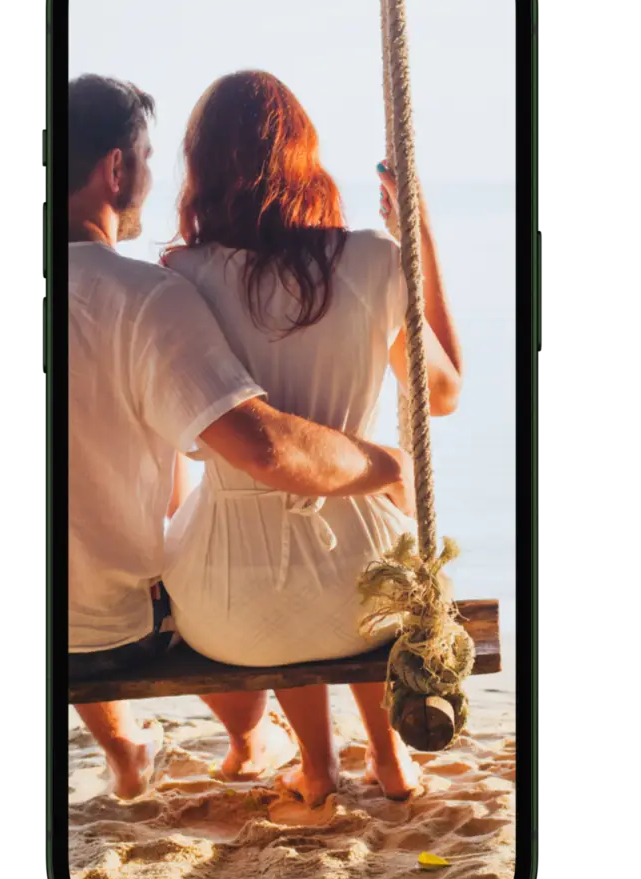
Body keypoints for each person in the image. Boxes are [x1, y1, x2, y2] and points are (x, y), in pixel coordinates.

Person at [68, 74, 417, 800]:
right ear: (115, 169)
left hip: (169, 618)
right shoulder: (152, 297)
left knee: (212, 551)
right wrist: (385, 462)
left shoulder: (181, 275)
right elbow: (272, 449)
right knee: (197, 567)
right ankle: (324, 751)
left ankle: (276, 762)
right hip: (139, 625)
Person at [161, 71, 463, 806]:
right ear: (305, 156)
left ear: (199, 165)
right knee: (364, 578)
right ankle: (391, 765)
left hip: (228, 607)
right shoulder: (370, 259)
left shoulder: (180, 276)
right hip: (363, 584)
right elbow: (444, 394)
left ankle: (318, 768)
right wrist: (414, 235)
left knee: (282, 590)